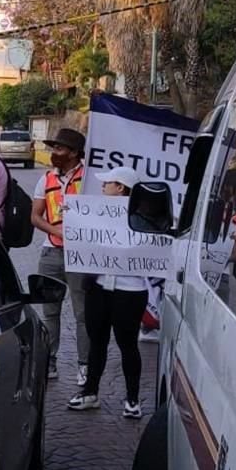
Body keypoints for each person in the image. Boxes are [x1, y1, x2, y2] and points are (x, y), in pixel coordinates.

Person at [67, 167, 149, 419]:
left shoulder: (144, 218)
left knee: (127, 345)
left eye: (108, 184)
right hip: (100, 288)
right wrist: (73, 219)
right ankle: (90, 392)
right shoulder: (95, 214)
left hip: (130, 291)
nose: (102, 188)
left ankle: (133, 399)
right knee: (97, 342)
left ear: (121, 188)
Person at [31, 127, 89, 383]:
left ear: (74, 153)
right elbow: (35, 216)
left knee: (83, 315)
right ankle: (50, 362)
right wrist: (56, 231)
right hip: (51, 252)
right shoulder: (46, 179)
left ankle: (84, 366)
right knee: (49, 313)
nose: (54, 152)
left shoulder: (90, 179)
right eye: (53, 148)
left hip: (81, 255)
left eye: (59, 148)